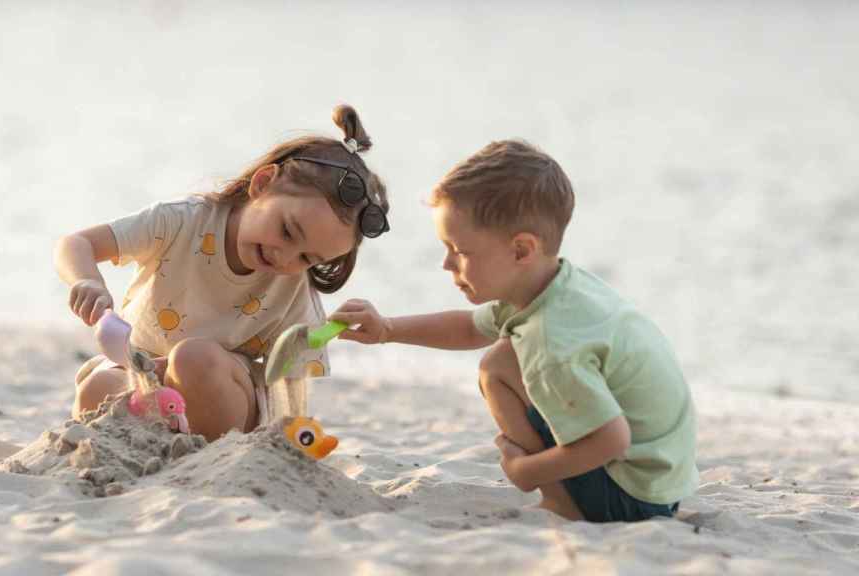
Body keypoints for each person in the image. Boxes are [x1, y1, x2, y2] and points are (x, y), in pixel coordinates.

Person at [331, 140, 696, 522]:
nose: (446, 264)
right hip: (660, 482)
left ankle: (561, 502)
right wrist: (387, 329)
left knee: (497, 367)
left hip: (632, 497)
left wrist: (527, 472)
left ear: (521, 250)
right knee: (505, 353)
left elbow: (611, 439)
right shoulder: (558, 286)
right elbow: (468, 328)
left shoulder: (550, 340)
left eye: (460, 250)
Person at [54, 105, 390, 442]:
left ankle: (205, 453)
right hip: (139, 369)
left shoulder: (293, 289)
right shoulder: (181, 221)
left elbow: (291, 392)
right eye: (287, 232)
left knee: (192, 358)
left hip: (220, 393)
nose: (285, 256)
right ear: (262, 184)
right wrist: (87, 281)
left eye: (307, 257)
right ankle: (158, 439)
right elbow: (77, 243)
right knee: (98, 387)